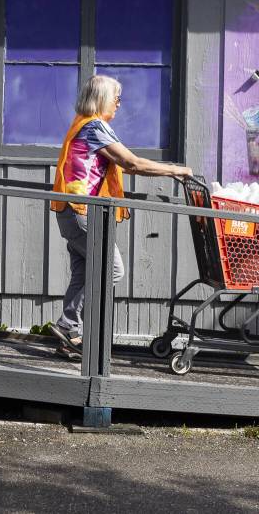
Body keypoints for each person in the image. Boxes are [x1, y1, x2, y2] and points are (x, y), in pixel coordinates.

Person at [49, 75, 192, 355]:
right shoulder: (94, 127)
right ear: (102, 99)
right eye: (116, 98)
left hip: (69, 211)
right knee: (111, 269)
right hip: (81, 210)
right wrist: (177, 169)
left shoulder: (82, 124)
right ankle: (68, 325)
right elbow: (131, 163)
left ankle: (70, 337)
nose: (119, 104)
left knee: (83, 272)